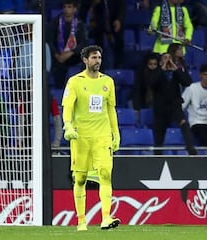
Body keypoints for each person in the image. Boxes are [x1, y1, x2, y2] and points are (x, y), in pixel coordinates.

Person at [62, 45, 120, 231]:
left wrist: (116, 133)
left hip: (102, 136)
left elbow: (111, 109)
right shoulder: (75, 82)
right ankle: (81, 222)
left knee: (105, 174)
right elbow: (68, 107)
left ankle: (105, 218)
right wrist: (68, 126)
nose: (98, 61)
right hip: (81, 137)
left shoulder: (108, 82)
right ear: (85, 60)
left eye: (99, 57)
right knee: (80, 179)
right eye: (94, 57)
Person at [147, 52, 197, 155]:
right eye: (165, 58)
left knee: (183, 123)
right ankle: (158, 155)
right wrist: (162, 69)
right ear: (160, 62)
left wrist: (176, 69)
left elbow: (188, 82)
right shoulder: (156, 72)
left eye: (170, 58)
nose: (168, 60)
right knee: (159, 134)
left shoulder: (176, 73)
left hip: (175, 106)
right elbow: (151, 83)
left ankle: (190, 148)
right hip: (161, 109)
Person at [47, 0, 89, 89]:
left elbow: (83, 43)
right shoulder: (55, 23)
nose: (66, 9)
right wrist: (57, 55)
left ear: (75, 9)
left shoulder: (80, 25)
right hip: (58, 58)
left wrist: (70, 53)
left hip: (74, 58)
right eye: (64, 7)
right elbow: (49, 40)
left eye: (69, 7)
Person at [78, 0, 126, 69]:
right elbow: (82, 15)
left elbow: (122, 7)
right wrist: (93, 3)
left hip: (114, 32)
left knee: (113, 58)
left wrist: (119, 20)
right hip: (96, 33)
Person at [132, 52, 160, 122]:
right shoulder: (141, 76)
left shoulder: (160, 75)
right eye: (150, 64)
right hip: (143, 102)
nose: (153, 67)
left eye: (155, 64)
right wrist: (137, 108)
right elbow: (137, 92)